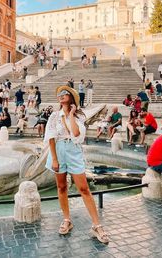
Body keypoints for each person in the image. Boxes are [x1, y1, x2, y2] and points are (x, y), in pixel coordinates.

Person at [44, 85, 109, 243]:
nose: (61, 95)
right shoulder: (53, 116)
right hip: (58, 150)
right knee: (61, 187)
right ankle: (67, 219)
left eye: (64, 93)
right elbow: (51, 138)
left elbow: (76, 134)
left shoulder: (79, 116)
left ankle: (96, 225)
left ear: (71, 98)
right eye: (59, 93)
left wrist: (71, 114)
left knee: (84, 188)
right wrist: (54, 158)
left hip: (73, 151)